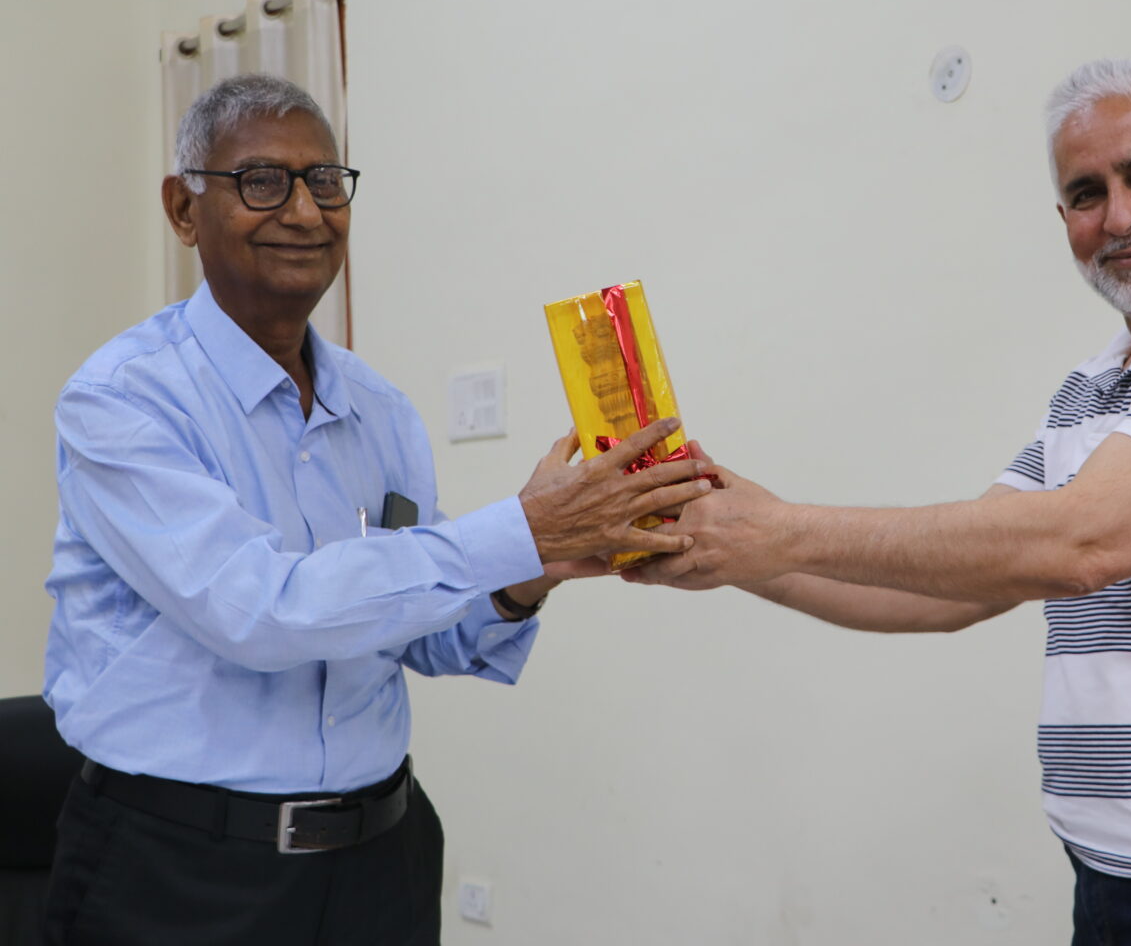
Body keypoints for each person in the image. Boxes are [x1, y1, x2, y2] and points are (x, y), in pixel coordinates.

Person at [628, 58, 1131, 943]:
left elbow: (1080, 544)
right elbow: (955, 587)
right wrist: (729, 551)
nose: (1121, 215)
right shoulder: (1092, 388)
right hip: (1118, 886)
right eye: (1087, 194)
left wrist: (776, 530)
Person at [40, 73, 712, 945]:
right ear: (183, 209)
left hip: (380, 863)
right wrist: (517, 531)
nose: (305, 212)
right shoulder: (124, 400)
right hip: (183, 872)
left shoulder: (380, 410)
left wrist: (530, 571)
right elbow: (259, 613)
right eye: (262, 181)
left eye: (326, 182)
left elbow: (418, 633)